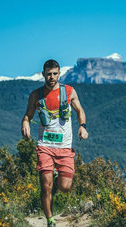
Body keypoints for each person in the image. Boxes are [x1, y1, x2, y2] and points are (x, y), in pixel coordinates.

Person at [21, 59, 88, 227]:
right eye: (48, 74)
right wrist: (25, 124)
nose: (51, 77)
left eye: (55, 74)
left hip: (65, 147)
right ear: (43, 74)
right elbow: (28, 115)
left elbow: (80, 111)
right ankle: (50, 220)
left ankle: (58, 180)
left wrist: (82, 126)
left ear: (59, 74)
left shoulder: (69, 92)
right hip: (45, 146)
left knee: (65, 187)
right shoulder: (36, 95)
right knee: (46, 186)